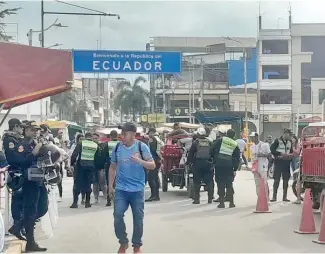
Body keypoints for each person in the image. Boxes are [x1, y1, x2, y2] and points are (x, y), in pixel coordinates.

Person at [108, 122, 156, 253]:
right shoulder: (117, 148)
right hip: (121, 190)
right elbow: (112, 167)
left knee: (138, 218)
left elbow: (153, 165)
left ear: (133, 134)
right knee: (117, 215)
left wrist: (139, 161)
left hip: (137, 190)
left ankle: (137, 246)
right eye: (121, 133)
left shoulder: (142, 147)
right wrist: (110, 186)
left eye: (124, 133)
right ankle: (123, 242)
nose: (121, 136)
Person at [19, 121, 48, 251]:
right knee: (31, 210)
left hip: (39, 179)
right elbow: (22, 162)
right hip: (29, 181)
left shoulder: (35, 143)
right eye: (32, 129)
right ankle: (30, 243)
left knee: (42, 207)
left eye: (37, 130)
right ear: (26, 130)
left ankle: (19, 226)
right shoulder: (23, 144)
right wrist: (34, 153)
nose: (35, 132)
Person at [2, 118, 26, 241]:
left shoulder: (17, 139)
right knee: (17, 199)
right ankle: (17, 224)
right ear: (15, 126)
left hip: (22, 172)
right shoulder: (9, 139)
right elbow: (13, 157)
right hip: (15, 173)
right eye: (20, 127)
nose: (22, 129)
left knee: (22, 200)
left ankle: (20, 225)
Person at [211, 128, 240, 208]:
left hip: (219, 165)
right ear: (234, 135)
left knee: (220, 183)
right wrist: (235, 168)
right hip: (229, 166)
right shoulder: (235, 143)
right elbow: (237, 157)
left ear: (226, 134)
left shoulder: (221, 140)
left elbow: (212, 149)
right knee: (229, 184)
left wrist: (214, 160)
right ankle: (231, 203)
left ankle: (221, 203)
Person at [70, 132, 100, 208]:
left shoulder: (81, 143)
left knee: (77, 183)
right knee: (88, 184)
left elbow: (74, 154)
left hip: (81, 165)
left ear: (86, 137)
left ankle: (75, 203)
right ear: (91, 137)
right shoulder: (95, 145)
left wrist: (71, 164)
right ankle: (87, 202)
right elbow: (97, 157)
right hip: (91, 166)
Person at [187, 127, 214, 204]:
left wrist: (188, 162)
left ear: (198, 134)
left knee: (197, 182)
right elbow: (213, 153)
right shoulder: (210, 142)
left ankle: (197, 199)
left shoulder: (195, 142)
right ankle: (210, 199)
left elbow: (191, 154)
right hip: (208, 164)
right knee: (209, 182)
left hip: (198, 164)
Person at [270, 129, 293, 202]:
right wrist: (280, 154)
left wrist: (290, 155)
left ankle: (284, 197)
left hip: (286, 163)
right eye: (289, 135)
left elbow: (291, 151)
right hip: (278, 162)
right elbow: (272, 150)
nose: (290, 136)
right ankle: (274, 197)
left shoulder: (290, 142)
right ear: (285, 134)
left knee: (286, 180)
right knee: (276, 180)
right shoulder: (277, 141)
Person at [250, 132, 271, 201]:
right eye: (251, 137)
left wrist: (262, 155)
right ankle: (260, 198)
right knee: (257, 184)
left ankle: (267, 199)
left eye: (252, 137)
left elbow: (269, 155)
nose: (251, 138)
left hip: (263, 166)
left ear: (256, 137)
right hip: (255, 167)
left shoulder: (264, 145)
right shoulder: (252, 146)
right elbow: (252, 157)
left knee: (264, 182)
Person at [102, 130, 120, 207]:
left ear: (110, 136)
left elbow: (103, 156)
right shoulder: (121, 144)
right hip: (120, 165)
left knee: (110, 182)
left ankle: (109, 200)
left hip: (110, 165)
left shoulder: (107, 144)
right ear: (117, 136)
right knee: (119, 182)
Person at [146, 128, 163, 202]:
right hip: (158, 160)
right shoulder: (158, 139)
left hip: (154, 160)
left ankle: (154, 195)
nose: (148, 135)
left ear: (152, 132)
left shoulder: (153, 139)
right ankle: (156, 196)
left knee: (151, 178)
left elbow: (152, 150)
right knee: (155, 178)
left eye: (149, 133)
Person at [69, 134, 86, 205]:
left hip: (84, 166)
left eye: (83, 139)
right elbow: (72, 155)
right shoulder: (74, 146)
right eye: (80, 139)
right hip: (77, 166)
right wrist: (71, 165)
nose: (81, 141)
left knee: (84, 184)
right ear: (77, 140)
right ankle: (75, 201)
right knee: (76, 183)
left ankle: (83, 198)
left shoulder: (85, 146)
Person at [92, 133, 108, 205]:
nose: (94, 139)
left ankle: (106, 197)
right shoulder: (91, 146)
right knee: (95, 184)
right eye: (93, 138)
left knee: (103, 183)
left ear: (98, 138)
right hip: (94, 167)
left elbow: (105, 156)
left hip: (102, 167)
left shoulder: (103, 146)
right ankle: (96, 199)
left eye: (96, 138)